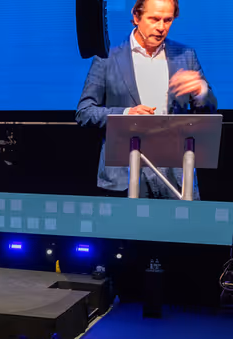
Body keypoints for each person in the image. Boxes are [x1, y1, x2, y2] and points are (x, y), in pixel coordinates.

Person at [76, 0, 216, 199]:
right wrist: (126, 115)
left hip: (176, 174)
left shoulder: (186, 56)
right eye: (154, 19)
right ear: (136, 17)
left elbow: (209, 110)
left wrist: (200, 90)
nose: (161, 27)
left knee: (178, 230)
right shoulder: (108, 58)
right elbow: (84, 112)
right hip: (124, 175)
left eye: (168, 20)